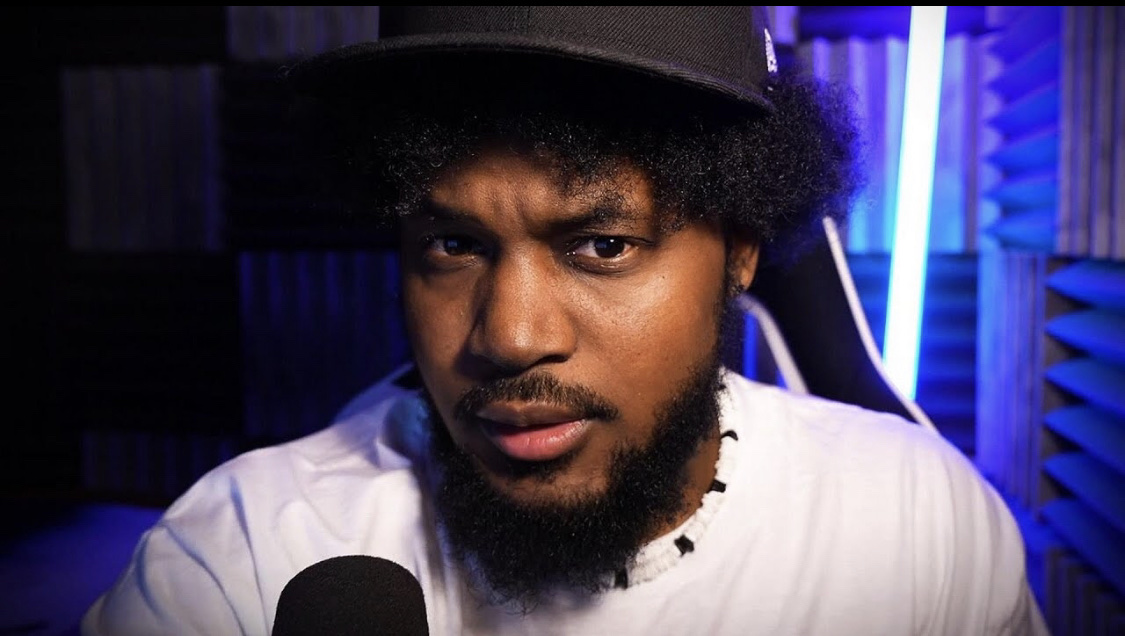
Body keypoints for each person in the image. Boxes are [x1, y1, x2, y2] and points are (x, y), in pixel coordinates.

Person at [83, 6, 1049, 635]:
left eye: (602, 245)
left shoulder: (916, 525)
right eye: (453, 245)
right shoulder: (247, 556)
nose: (508, 337)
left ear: (740, 250)